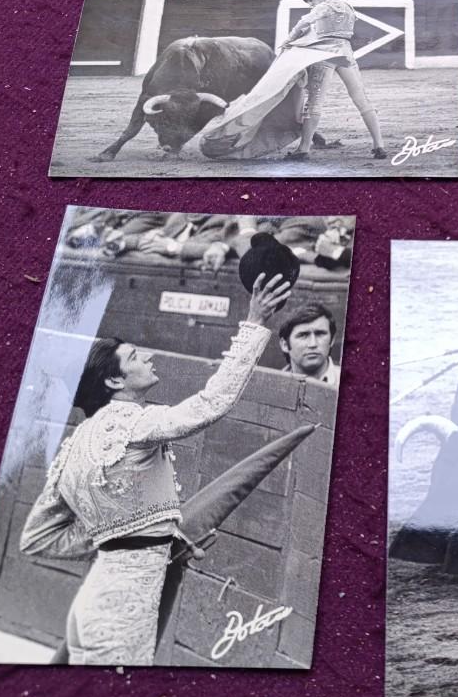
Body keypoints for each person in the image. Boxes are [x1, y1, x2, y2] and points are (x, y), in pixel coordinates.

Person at [18, 273, 292, 665]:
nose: (149, 357)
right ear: (114, 380)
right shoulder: (134, 422)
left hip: (91, 607)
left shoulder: (73, 445)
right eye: (134, 357)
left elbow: (36, 540)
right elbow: (210, 404)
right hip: (121, 615)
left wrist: (119, 535)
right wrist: (254, 323)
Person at [280, 0, 387, 160]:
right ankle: (379, 146)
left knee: (314, 103)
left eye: (312, 0)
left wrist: (289, 40)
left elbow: (304, 21)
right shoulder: (348, 6)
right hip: (346, 54)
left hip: (325, 55)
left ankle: (303, 149)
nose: (312, 5)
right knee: (362, 99)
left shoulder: (324, 6)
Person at [278, 304, 341, 384]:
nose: (313, 344)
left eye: (320, 334)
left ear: (332, 340)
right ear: (285, 345)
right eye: (303, 335)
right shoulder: (271, 386)